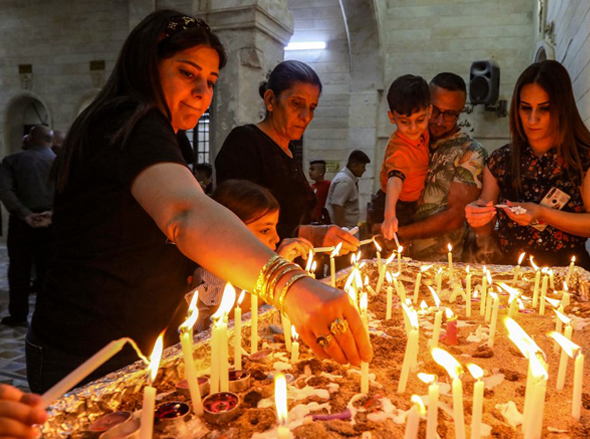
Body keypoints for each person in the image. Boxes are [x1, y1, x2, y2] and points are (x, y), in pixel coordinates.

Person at [29, 11, 370, 395]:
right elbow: (184, 213)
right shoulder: (129, 120)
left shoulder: (160, 133)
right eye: (187, 73)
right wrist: (293, 287)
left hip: (131, 338)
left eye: (210, 81)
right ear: (147, 66)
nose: (203, 94)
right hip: (88, 347)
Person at [465, 60, 590, 271]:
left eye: (545, 109)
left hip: (566, 273)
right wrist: (477, 217)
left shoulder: (586, 159)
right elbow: (485, 230)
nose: (533, 119)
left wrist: (541, 213)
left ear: (562, 108)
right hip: (511, 272)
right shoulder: (501, 160)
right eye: (526, 108)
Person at [215, 60, 359, 253]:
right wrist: (310, 234)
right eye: (296, 104)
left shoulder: (288, 150)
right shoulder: (245, 142)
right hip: (257, 268)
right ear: (270, 100)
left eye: (312, 107)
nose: (306, 116)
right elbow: (239, 221)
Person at [189, 180, 312, 331]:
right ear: (230, 232)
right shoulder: (212, 273)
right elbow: (229, 320)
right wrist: (275, 273)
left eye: (276, 227)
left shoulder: (255, 266)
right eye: (265, 230)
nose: (277, 238)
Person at [394, 73, 487, 262]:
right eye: (434, 110)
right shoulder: (409, 140)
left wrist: (399, 234)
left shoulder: (470, 152)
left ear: (460, 112)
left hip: (442, 265)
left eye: (450, 115)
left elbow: (455, 217)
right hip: (396, 259)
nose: (439, 121)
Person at [0, 125, 56, 327]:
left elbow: (5, 190)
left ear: (31, 138)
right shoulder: (60, 162)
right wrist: (53, 214)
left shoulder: (12, 161)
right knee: (48, 270)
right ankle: (47, 317)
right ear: (50, 141)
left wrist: (25, 214)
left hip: (22, 224)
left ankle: (19, 315)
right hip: (51, 224)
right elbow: (70, 192)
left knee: (19, 271)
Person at [367, 74, 431, 241]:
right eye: (404, 121)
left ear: (429, 112)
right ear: (391, 117)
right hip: (393, 207)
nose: (413, 128)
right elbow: (395, 180)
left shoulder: (425, 132)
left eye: (420, 120)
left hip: (411, 205)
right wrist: (389, 216)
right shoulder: (399, 149)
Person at [325, 150, 371, 229]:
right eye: (362, 167)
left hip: (349, 228)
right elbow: (337, 206)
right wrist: (343, 230)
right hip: (345, 229)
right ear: (353, 166)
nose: (364, 170)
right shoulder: (345, 181)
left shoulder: (348, 179)